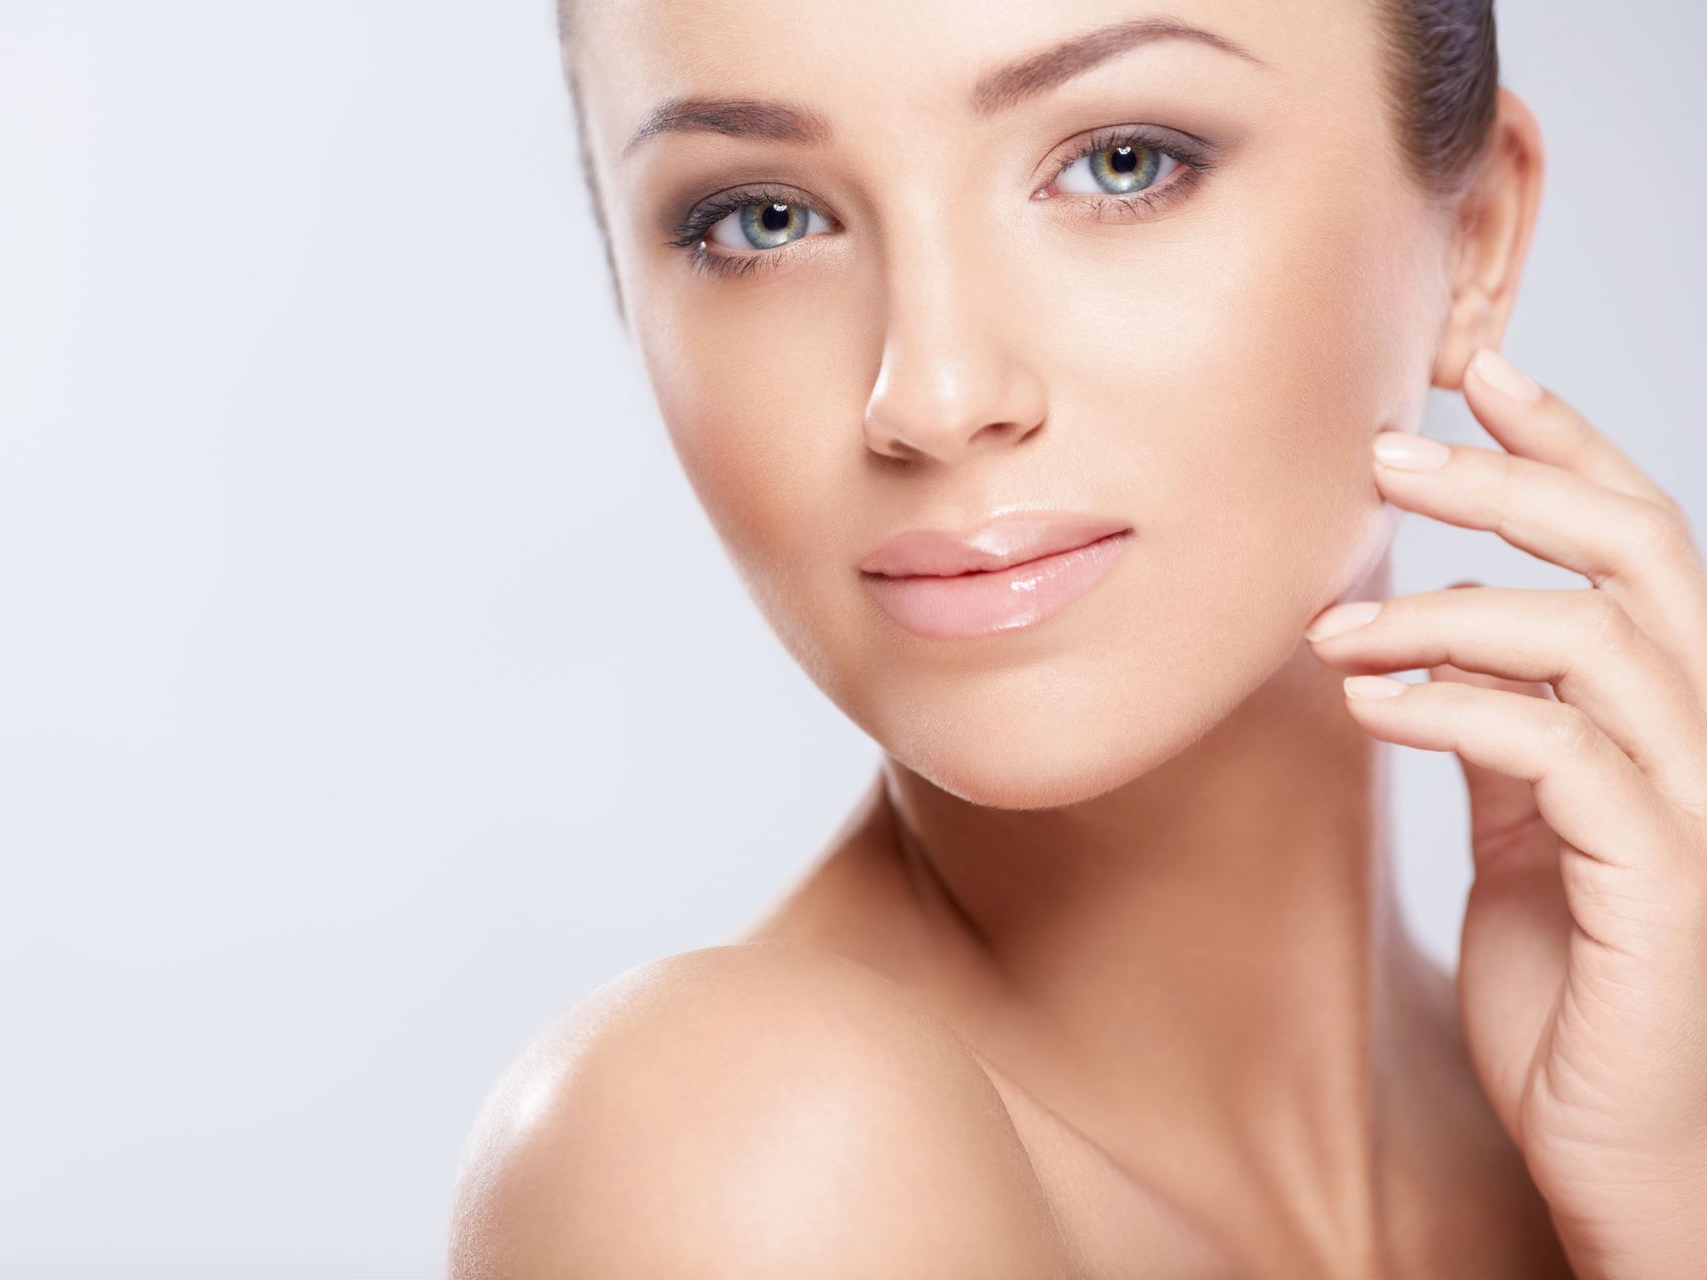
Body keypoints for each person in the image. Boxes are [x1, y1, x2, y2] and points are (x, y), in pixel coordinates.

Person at [449, 1, 1707, 1275]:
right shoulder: (747, 1165)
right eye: (762, 217)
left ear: (1474, 240)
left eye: (1122, 160)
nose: (931, 397)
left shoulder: (1634, 1114)